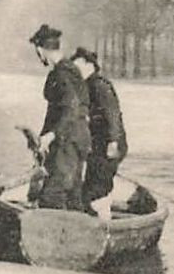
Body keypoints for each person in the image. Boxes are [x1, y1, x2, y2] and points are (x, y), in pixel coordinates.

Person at [28, 23, 90, 210]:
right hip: (76, 138)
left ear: (40, 50)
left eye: (37, 52)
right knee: (72, 194)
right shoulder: (69, 70)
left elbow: (70, 108)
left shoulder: (62, 74)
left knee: (52, 195)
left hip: (67, 142)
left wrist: (51, 135)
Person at [73, 48, 127, 220]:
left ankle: (104, 224)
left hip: (109, 146)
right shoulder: (87, 85)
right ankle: (95, 217)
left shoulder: (100, 85)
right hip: (98, 147)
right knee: (92, 186)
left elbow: (113, 114)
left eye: (78, 65)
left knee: (97, 191)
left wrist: (113, 141)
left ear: (90, 65)